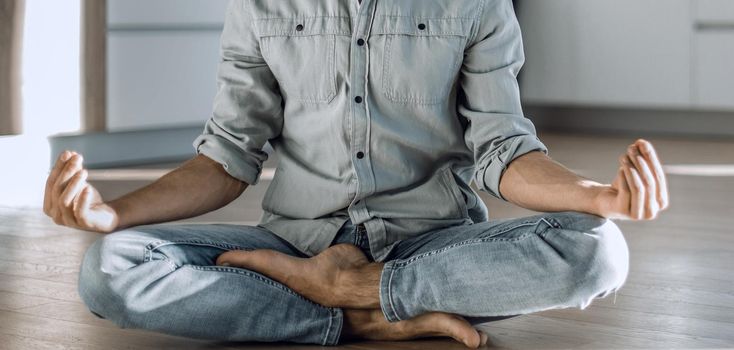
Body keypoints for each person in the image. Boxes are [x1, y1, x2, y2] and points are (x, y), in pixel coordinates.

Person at [44, 0, 669, 348]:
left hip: (429, 244)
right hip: (297, 241)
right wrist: (113, 214)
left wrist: (599, 196)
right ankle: (360, 314)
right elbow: (227, 159)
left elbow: (502, 149)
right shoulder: (259, 5)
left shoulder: (477, 3)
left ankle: (348, 294)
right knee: (109, 270)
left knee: (597, 251)